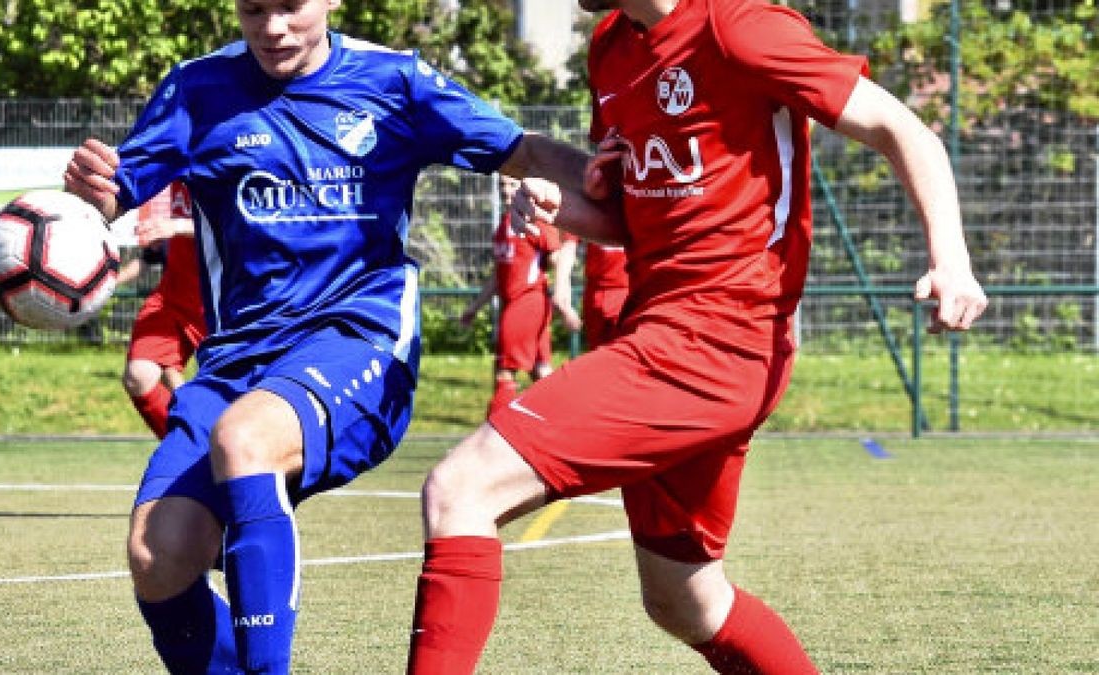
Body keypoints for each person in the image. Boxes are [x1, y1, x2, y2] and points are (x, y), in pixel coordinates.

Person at [405, 0, 989, 672]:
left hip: (719, 340)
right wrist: (566, 206)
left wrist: (950, 260)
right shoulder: (612, 48)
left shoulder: (739, 26)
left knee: (462, 488)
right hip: (667, 333)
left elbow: (902, 126)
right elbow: (636, 219)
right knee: (685, 599)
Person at [62, 0, 591, 672]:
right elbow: (116, 192)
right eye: (254, 8)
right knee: (157, 556)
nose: (272, 27)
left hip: (360, 340)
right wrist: (94, 189)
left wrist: (622, 193)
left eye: (290, 6)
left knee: (245, 438)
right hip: (234, 364)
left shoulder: (395, 81)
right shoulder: (196, 89)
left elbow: (524, 149)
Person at [459, 175, 581, 418]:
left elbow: (557, 257)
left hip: (526, 302)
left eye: (512, 185)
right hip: (517, 304)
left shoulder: (534, 224)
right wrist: (475, 307)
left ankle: (493, 437)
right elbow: (498, 276)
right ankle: (563, 423)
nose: (506, 190)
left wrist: (563, 299)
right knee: (540, 371)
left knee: (504, 372)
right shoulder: (504, 226)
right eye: (502, 185)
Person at [116, 181, 206, 439]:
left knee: (227, 404)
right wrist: (109, 282)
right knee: (139, 376)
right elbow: (145, 260)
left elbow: (237, 226)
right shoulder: (178, 168)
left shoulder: (227, 162)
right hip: (171, 300)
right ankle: (189, 451)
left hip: (217, 307)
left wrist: (177, 226)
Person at [556, 233, 628, 351]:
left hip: (628, 291)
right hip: (595, 294)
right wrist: (561, 288)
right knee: (599, 355)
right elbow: (569, 245)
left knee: (628, 356)